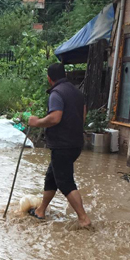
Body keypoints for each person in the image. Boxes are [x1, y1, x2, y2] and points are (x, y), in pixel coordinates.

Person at [27, 63, 91, 227]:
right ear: (65, 75)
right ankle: (41, 211)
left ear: (49, 79)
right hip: (75, 143)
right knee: (52, 176)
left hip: (63, 144)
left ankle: (83, 219)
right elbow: (82, 118)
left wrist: (37, 122)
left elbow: (55, 118)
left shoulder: (56, 93)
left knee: (65, 181)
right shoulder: (77, 93)